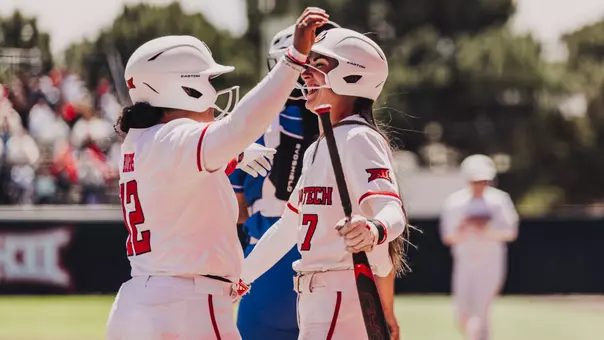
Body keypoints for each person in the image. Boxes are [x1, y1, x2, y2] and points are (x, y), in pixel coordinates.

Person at [105, 7, 330, 340]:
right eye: (207, 80)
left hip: (140, 303)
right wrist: (293, 59)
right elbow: (239, 126)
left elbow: (182, 175)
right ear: (182, 87)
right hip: (188, 304)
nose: (214, 88)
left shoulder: (141, 141)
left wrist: (236, 155)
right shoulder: (175, 136)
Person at [237, 27, 408, 340]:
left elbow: (391, 209)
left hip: (341, 294)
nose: (305, 76)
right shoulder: (319, 147)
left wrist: (374, 229)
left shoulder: (358, 137)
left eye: (319, 66)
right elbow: (288, 227)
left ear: (353, 76)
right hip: (318, 297)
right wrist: (240, 278)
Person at [232, 21, 340, 340]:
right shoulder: (348, 125)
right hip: (329, 254)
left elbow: (237, 210)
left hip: (267, 250)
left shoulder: (256, 120)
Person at [439, 154, 519, 340]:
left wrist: (486, 228)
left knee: (481, 313)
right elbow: (448, 236)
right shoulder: (455, 202)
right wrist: (465, 227)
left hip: (490, 263)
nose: (480, 185)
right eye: (475, 180)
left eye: (483, 180)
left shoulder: (500, 200)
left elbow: (511, 232)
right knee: (462, 313)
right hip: (465, 263)